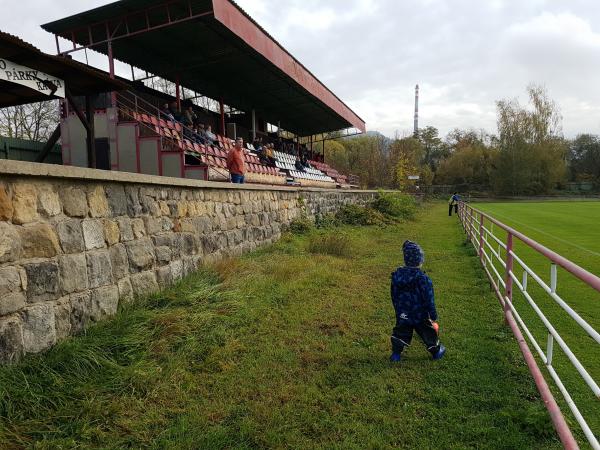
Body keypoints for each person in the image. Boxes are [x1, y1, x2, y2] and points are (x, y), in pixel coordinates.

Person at [389, 240, 446, 362]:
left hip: (403, 313)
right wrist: (433, 316)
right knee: (428, 333)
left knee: (400, 332)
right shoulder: (423, 279)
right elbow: (429, 298)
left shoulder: (397, 276)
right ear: (420, 260)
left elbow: (393, 294)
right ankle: (436, 352)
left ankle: (395, 355)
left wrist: (398, 310)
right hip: (420, 315)